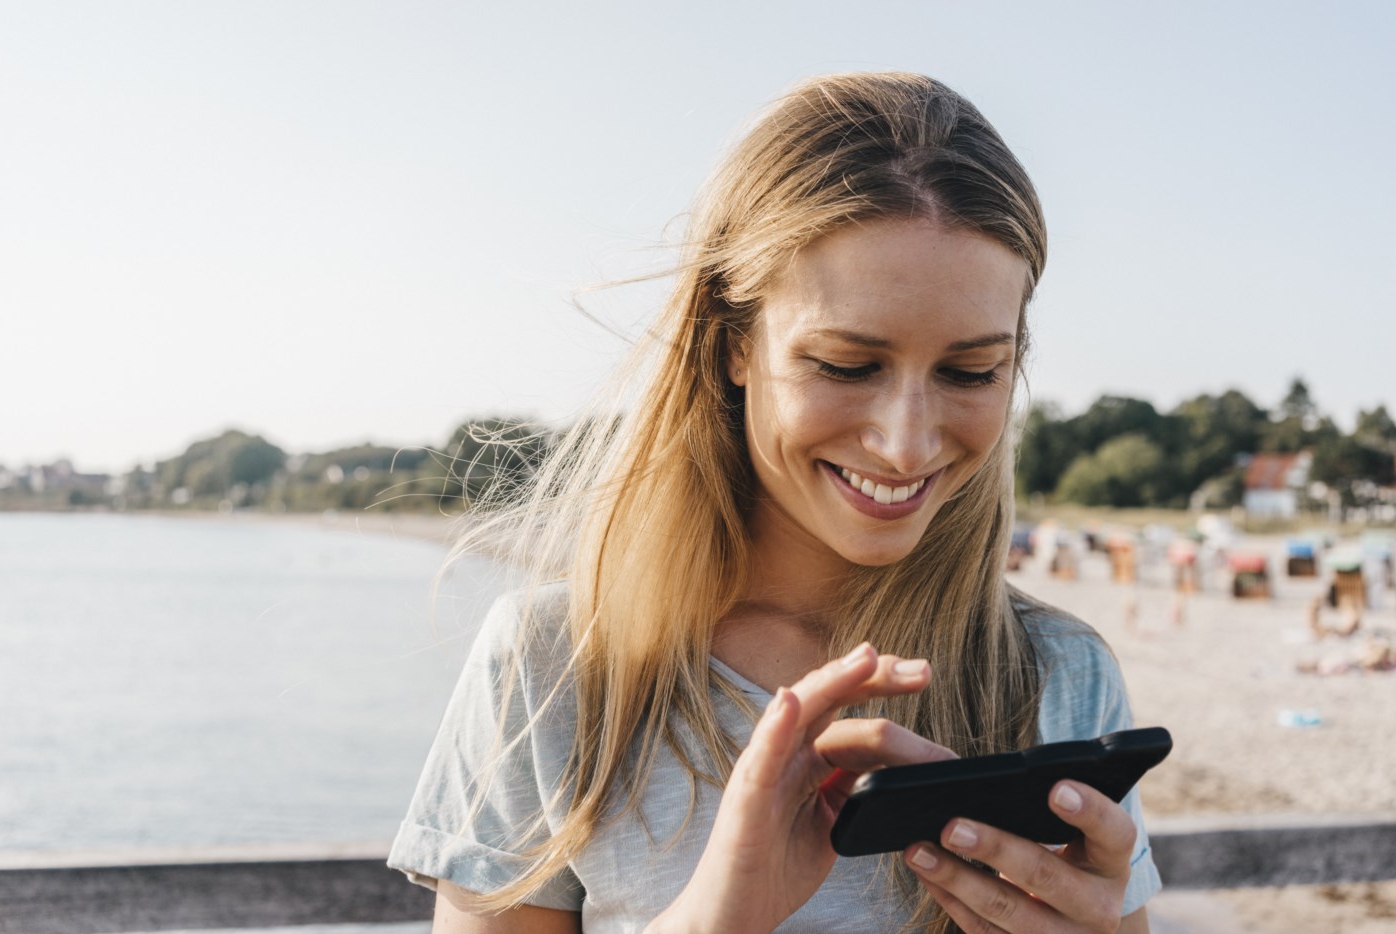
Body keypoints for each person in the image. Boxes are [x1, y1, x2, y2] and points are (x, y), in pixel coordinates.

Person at [388, 72, 1161, 933]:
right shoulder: (553, 671)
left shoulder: (1058, 674)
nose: (906, 444)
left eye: (971, 372)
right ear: (731, 344)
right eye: (844, 364)